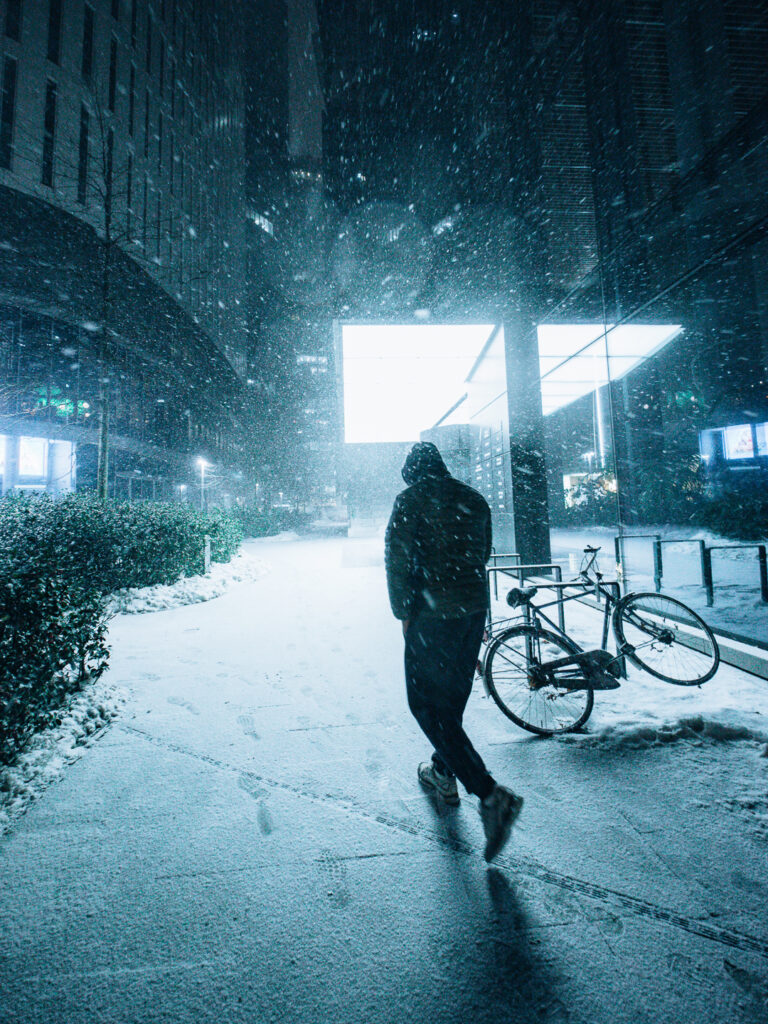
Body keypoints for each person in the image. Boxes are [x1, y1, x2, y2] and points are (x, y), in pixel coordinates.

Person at [385, 441, 523, 863]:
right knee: (452, 698)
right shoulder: (473, 498)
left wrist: (403, 612)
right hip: (472, 611)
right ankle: (444, 771)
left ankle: (489, 794)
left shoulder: (410, 500)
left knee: (427, 705)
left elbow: (397, 560)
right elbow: (482, 554)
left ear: (412, 471)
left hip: (433, 614)